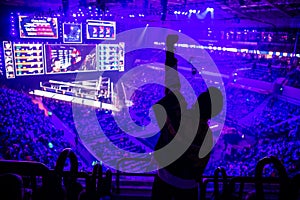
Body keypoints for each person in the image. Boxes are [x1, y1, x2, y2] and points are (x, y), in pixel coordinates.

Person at [151, 34, 223, 200]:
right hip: (188, 186)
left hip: (165, 177)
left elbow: (171, 83)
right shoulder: (208, 136)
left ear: (197, 102)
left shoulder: (180, 115)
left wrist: (170, 51)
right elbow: (200, 165)